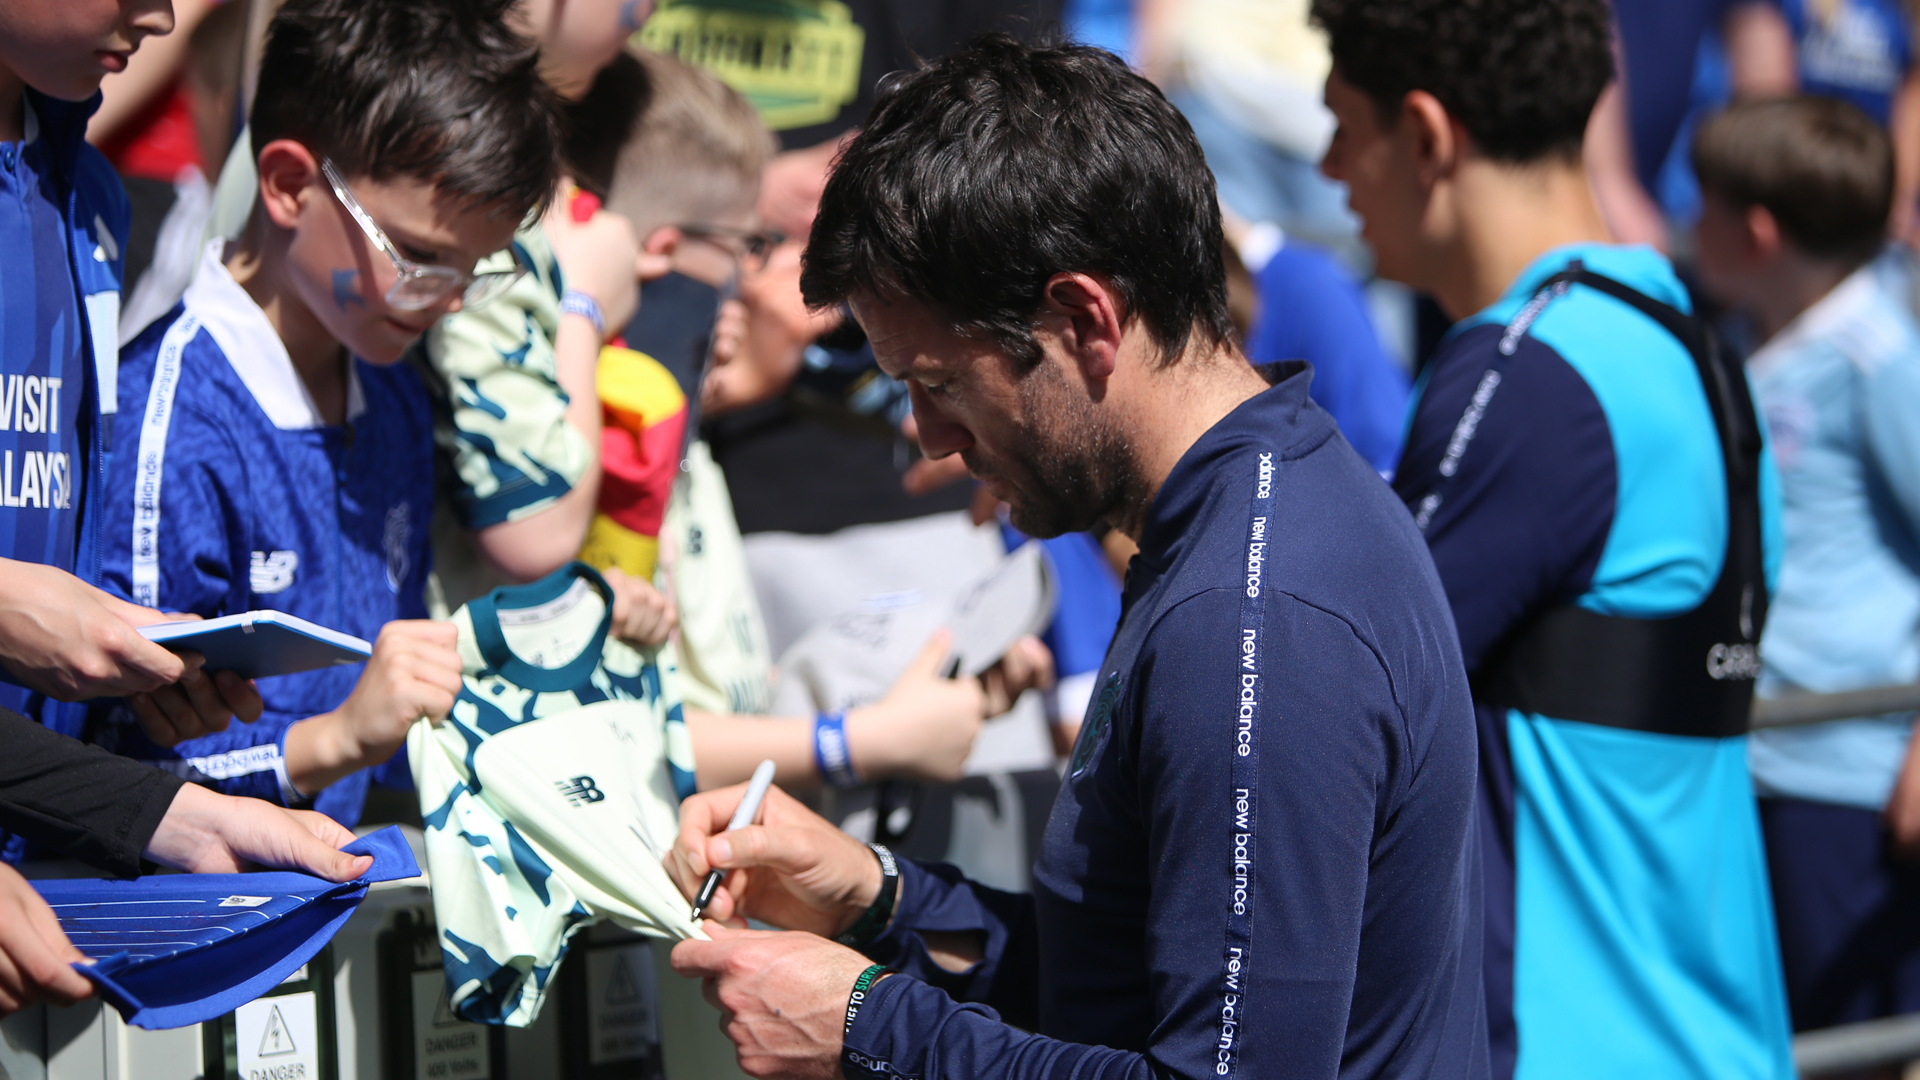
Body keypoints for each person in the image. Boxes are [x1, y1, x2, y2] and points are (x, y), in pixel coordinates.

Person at [664, 34, 1487, 1080]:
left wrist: (870, 1028)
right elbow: (1135, 982)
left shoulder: (1247, 613)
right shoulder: (1264, 510)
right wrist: (882, 897)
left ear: (1082, 319)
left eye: (939, 382)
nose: (928, 436)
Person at [1313, 0, 1795, 1076]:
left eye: (1345, 124)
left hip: (1568, 1044)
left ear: (1428, 135)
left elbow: (1335, 690)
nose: (1328, 164)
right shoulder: (1686, 341)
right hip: (1715, 1035)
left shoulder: (1526, 370)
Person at [84, 0, 566, 827]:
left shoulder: (396, 391)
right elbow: (111, 773)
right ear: (288, 185)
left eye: (474, 270)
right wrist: (341, 738)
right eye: (415, 258)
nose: (445, 301)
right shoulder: (167, 423)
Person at [566, 46, 1053, 791]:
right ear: (661, 252)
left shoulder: (674, 445)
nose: (754, 277)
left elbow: (720, 686)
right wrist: (855, 740)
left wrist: (925, 673)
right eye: (746, 246)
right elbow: (601, 736)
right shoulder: (600, 456)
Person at [1690, 96, 1920, 1033]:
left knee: (1847, 1042)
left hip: (1845, 774)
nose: (1683, 225)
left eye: (1701, 206)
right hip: (1757, 754)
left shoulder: (1880, 359)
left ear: (1754, 231)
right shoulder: (1745, 346)